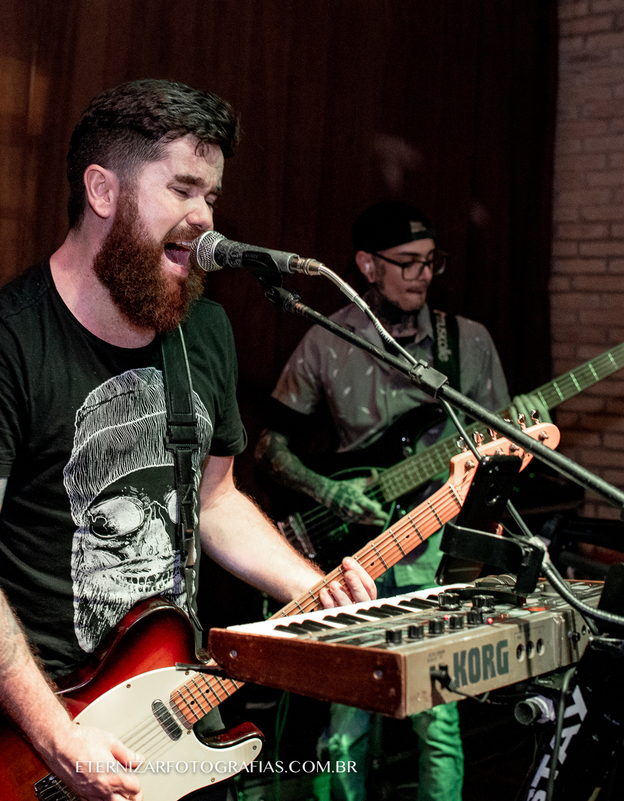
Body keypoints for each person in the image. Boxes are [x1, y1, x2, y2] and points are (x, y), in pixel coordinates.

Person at [0, 79, 376, 801]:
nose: (204, 219)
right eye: (184, 189)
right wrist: (59, 737)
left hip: (173, 716)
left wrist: (308, 588)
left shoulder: (205, 333)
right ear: (103, 189)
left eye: (213, 197)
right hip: (37, 737)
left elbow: (216, 498)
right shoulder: (0, 345)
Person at [255, 201, 541, 801]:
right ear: (366, 265)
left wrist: (518, 443)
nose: (422, 274)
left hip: (435, 548)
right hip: (355, 551)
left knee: (440, 718)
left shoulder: (467, 341)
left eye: (431, 262)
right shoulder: (325, 339)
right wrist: (324, 488)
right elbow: (267, 447)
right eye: (406, 262)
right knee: (343, 726)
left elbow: (502, 445)